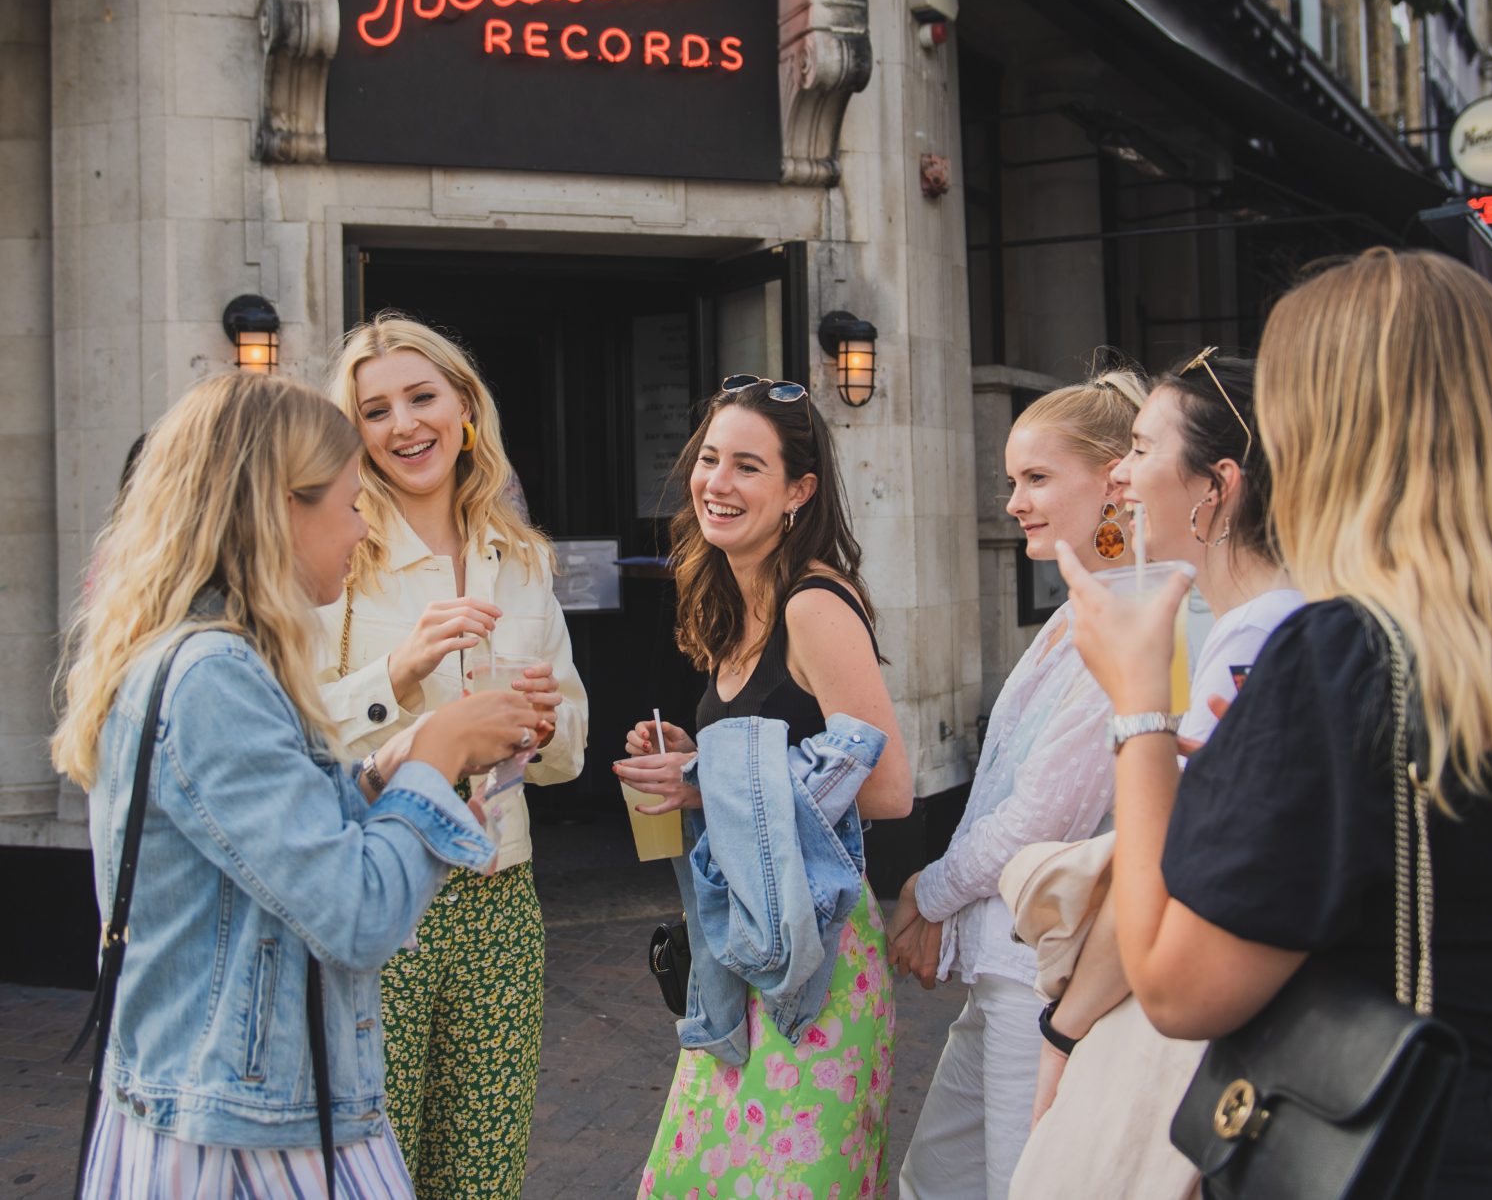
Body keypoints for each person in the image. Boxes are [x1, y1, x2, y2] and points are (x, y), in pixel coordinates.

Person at [1055, 248, 1492, 1199]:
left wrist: (1138, 707)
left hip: (1403, 1155)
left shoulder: (1345, 659)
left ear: (1334, 434)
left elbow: (1175, 985)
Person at [51, 371, 548, 1196]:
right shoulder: (214, 675)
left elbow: (264, 835)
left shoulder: (203, 654)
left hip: (224, 1104)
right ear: (281, 507)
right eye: (350, 504)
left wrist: (388, 765)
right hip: (248, 1127)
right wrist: (436, 757)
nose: (361, 529)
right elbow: (355, 914)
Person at [1002, 350, 1299, 1199]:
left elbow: (1167, 867)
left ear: (1217, 484)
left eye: (1138, 448)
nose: (1120, 476)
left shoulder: (1251, 638)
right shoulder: (1250, 622)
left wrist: (1062, 1031)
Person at [614, 375, 913, 1199]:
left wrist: (708, 779)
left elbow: (889, 787)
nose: (717, 482)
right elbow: (778, 752)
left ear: (798, 490)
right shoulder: (731, 606)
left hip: (816, 958)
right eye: (709, 459)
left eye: (748, 465)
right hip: (742, 946)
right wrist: (691, 754)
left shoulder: (815, 603)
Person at [318, 312, 587, 1199]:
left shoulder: (521, 559)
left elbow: (568, 754)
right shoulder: (331, 560)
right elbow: (291, 739)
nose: (405, 425)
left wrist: (543, 729)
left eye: (422, 396)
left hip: (501, 899)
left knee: (483, 1171)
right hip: (382, 900)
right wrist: (398, 672)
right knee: (370, 1161)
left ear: (465, 407)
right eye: (376, 409)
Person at [887, 369, 1146, 1200]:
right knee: (935, 1177)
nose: (1014, 503)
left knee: (1013, 1185)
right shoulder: (1076, 610)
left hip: (1045, 969)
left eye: (1036, 478)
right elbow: (1002, 795)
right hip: (1008, 966)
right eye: (1012, 480)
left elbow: (1038, 814)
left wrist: (929, 894)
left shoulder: (1122, 615)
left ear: (1114, 483)